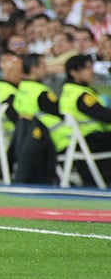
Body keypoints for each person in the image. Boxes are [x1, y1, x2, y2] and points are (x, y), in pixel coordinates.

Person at [54, 54, 111, 186]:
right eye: (87, 68)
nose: (91, 71)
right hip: (91, 139)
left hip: (80, 140)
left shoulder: (68, 91)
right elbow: (106, 116)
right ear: (74, 73)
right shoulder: (82, 95)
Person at [11, 53, 62, 184]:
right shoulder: (41, 92)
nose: (46, 69)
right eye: (43, 66)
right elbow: (59, 112)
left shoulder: (21, 89)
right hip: (53, 139)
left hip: (21, 141)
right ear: (34, 69)